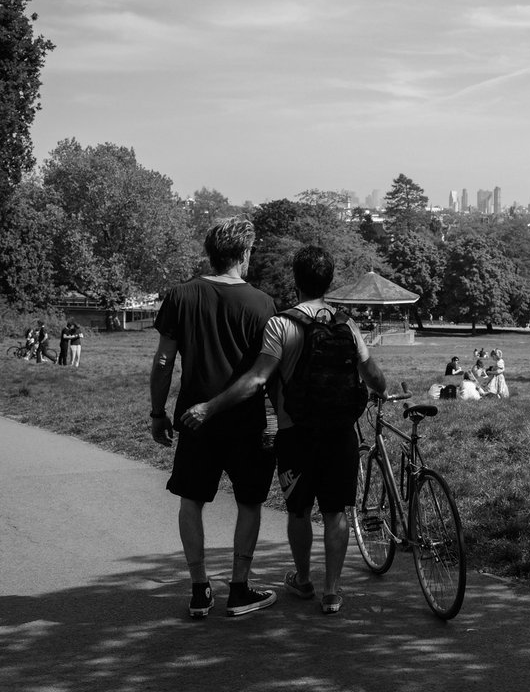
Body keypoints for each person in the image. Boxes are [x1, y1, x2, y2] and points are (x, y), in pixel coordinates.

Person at [182, 245, 389, 616]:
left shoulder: (282, 323)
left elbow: (259, 377)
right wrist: (384, 391)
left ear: (296, 282)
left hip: (296, 433)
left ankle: (303, 579)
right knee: (336, 511)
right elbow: (371, 373)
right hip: (342, 432)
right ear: (329, 282)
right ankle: (333, 591)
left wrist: (211, 407)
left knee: (299, 510)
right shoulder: (346, 323)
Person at [149, 217, 278, 619]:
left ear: (210, 253)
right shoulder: (262, 303)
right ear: (244, 253)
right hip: (245, 420)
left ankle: (199, 588)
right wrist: (278, 421)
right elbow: (265, 373)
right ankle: (239, 588)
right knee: (250, 502)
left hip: (193, 418)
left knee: (192, 500)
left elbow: (165, 360)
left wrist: (157, 411)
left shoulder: (181, 296)